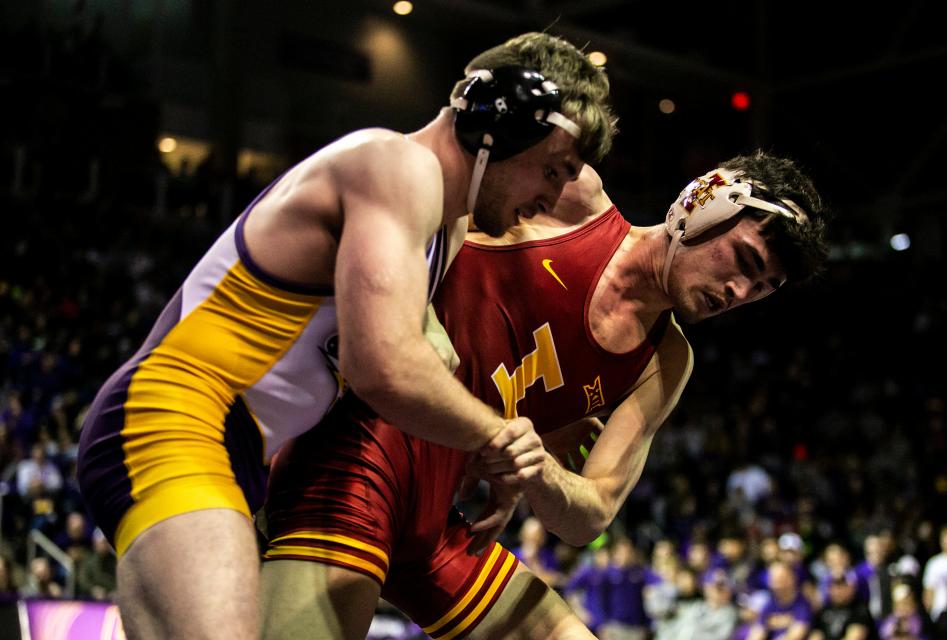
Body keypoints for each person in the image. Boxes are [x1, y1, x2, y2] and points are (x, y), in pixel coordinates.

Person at [75, 31, 617, 639]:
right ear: (497, 123)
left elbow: (427, 363)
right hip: (175, 417)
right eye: (551, 169)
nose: (552, 196)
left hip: (232, 449)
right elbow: (382, 364)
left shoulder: (445, 225)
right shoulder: (394, 165)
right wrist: (501, 439)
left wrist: (493, 452)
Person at [260, 151, 829, 639]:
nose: (739, 292)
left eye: (761, 289)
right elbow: (403, 183)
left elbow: (589, 517)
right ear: (706, 205)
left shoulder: (666, 361)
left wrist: (537, 471)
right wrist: (417, 311)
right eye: (746, 263)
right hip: (361, 454)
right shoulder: (573, 198)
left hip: (440, 517)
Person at [924, 525, 947, 621]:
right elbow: (928, 591)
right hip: (939, 615)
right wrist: (929, 612)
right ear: (941, 541)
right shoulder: (934, 563)